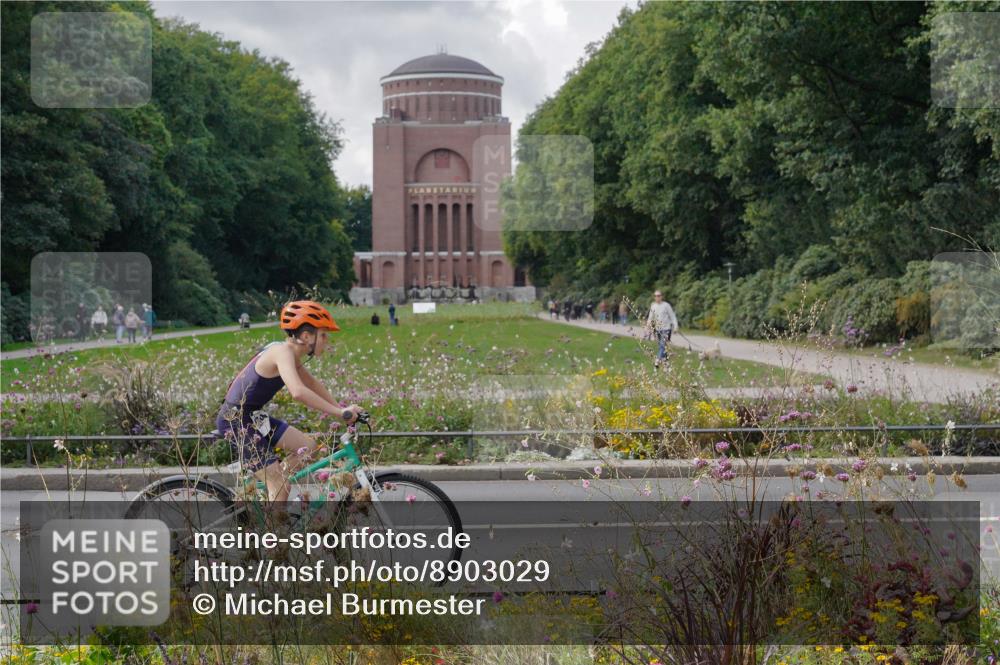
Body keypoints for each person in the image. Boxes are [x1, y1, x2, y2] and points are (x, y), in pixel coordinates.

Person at [216, 300, 364, 505]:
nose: (327, 340)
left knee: (308, 447)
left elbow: (311, 383)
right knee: (281, 487)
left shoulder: (289, 354)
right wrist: (340, 414)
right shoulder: (282, 353)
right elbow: (298, 391)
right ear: (306, 336)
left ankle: (271, 490)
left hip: (253, 416)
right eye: (323, 335)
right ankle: (277, 534)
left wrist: (341, 409)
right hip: (235, 420)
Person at [646, 290, 679, 368]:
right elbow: (650, 317)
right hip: (657, 329)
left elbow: (672, 316)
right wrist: (648, 325)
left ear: (661, 296)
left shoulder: (666, 305)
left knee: (662, 345)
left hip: (666, 328)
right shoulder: (653, 306)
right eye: (656, 296)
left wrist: (676, 326)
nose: (657, 297)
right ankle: (666, 362)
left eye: (659, 296)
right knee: (663, 346)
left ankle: (657, 360)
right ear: (654, 297)